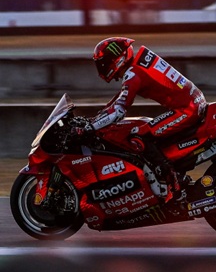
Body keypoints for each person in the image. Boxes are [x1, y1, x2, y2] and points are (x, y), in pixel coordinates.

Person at [77, 37, 207, 201]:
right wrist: (94, 119)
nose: (102, 68)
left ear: (116, 59)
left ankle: (174, 185)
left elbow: (119, 110)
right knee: (147, 128)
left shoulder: (133, 74)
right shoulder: (137, 65)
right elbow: (119, 99)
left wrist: (90, 128)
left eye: (103, 63)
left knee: (138, 135)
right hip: (193, 102)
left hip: (187, 109)